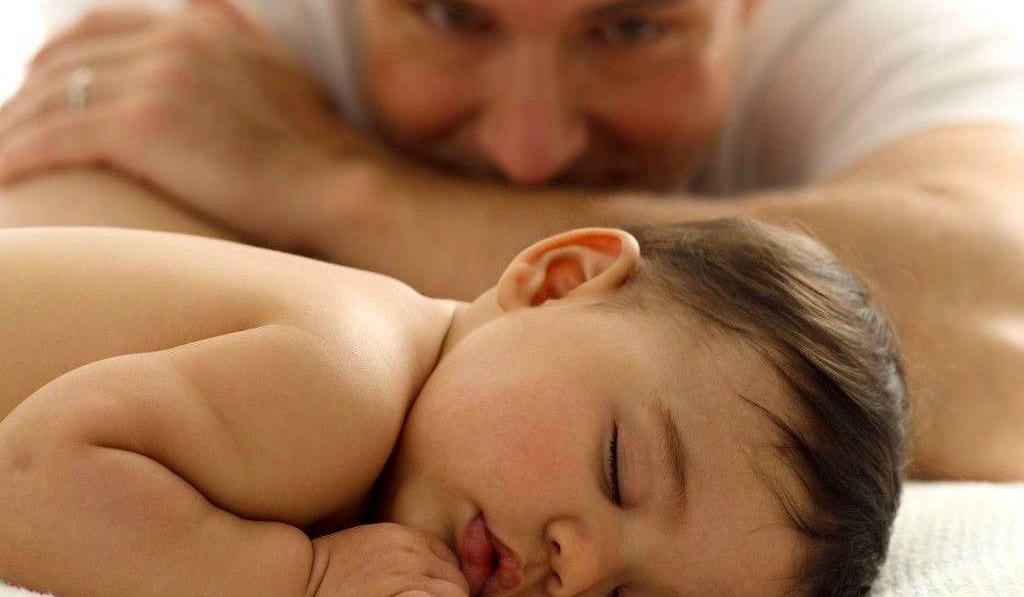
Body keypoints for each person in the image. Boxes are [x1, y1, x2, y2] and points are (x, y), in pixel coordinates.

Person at [0, 0, 1021, 479]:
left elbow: (1002, 353)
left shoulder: (871, 1)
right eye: (447, 15)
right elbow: (44, 349)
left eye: (632, 29)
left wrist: (334, 184)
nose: (530, 147)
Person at [0, 219, 905, 597]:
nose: (578, 568)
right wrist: (297, 579)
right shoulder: (340, 382)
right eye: (619, 468)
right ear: (560, 282)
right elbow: (32, 475)